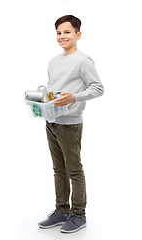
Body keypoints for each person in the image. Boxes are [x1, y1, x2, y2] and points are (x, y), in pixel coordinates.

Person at [38, 15, 104, 233]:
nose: (62, 36)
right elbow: (53, 89)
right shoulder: (53, 62)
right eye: (58, 32)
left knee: (73, 170)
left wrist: (74, 97)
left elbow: (97, 88)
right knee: (59, 169)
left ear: (78, 35)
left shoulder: (84, 61)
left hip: (70, 125)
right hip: (51, 121)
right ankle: (61, 210)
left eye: (67, 32)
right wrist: (41, 100)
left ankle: (78, 214)